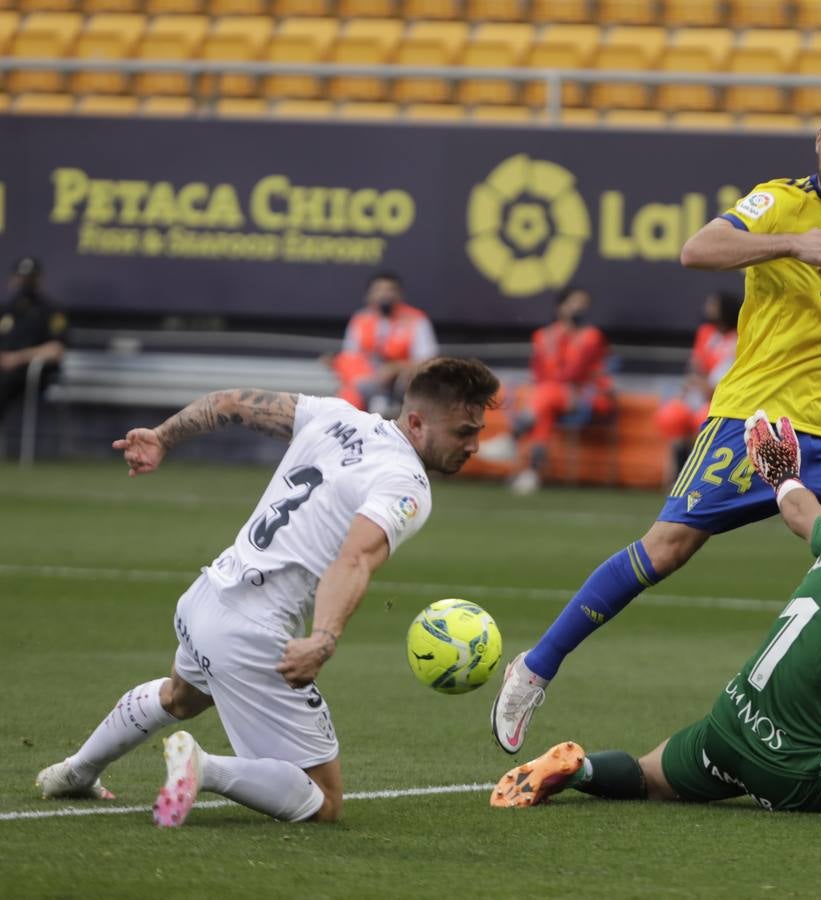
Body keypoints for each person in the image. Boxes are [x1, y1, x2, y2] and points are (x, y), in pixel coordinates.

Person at [491, 89, 821, 754]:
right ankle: (535, 667)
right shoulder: (781, 201)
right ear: (816, 140)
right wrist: (790, 245)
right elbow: (697, 248)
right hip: (753, 418)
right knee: (667, 548)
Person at [490, 415, 821, 832]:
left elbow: (799, 510)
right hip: (797, 774)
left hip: (726, 727)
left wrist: (781, 472)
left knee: (646, 778)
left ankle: (576, 770)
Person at [34, 358, 499, 827]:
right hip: (253, 633)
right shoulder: (405, 482)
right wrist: (324, 637)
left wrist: (163, 436)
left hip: (208, 596)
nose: (474, 445)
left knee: (181, 696)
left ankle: (75, 772)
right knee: (325, 799)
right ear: (417, 422)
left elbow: (232, 403)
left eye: (477, 431)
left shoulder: (336, 414)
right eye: (463, 432)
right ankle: (202, 766)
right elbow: (354, 559)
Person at [478, 286, 615, 495]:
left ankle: (514, 439)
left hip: (587, 396)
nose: (580, 308)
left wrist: (558, 384)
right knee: (544, 407)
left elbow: (576, 372)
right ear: (561, 307)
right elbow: (539, 373)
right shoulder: (542, 336)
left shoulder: (591, 336)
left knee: (545, 397)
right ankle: (531, 472)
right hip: (553, 396)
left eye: (584, 304)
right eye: (575, 303)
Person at [653, 292, 741, 479]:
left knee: (703, 417)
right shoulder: (705, 333)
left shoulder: (739, 338)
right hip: (697, 394)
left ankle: (699, 474)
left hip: (720, 400)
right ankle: (675, 475)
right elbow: (695, 366)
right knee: (673, 413)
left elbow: (721, 381)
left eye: (714, 305)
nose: (709, 310)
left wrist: (704, 384)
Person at [331, 270, 438, 415]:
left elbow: (428, 359)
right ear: (369, 295)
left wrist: (395, 368)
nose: (385, 294)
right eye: (379, 290)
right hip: (366, 381)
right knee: (348, 397)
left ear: (400, 295)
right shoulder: (361, 319)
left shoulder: (416, 319)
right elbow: (350, 357)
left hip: (402, 383)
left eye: (390, 290)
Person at [0, 256, 67, 422]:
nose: (25, 283)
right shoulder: (6, 310)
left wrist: (17, 358)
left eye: (30, 278)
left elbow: (56, 350)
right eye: (22, 278)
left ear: (39, 279)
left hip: (31, 373)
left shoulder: (51, 311)